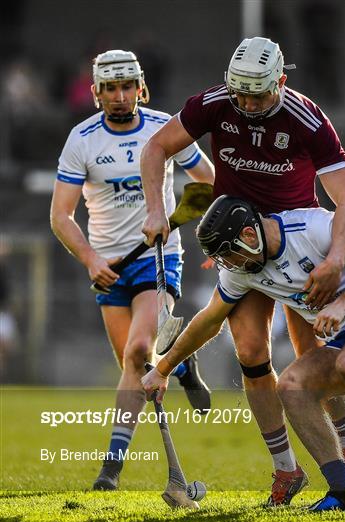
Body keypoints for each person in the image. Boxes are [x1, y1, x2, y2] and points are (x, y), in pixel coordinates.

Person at [140, 36, 345, 505]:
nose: (245, 104)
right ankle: (286, 469)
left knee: (311, 355)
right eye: (238, 93)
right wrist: (156, 209)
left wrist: (334, 259)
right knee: (248, 350)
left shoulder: (306, 117)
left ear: (280, 81)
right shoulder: (215, 103)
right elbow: (157, 147)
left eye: (257, 95)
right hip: (239, 247)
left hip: (296, 246)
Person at [141, 196, 345, 511]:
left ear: (247, 235)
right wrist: (162, 370)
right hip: (343, 344)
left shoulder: (313, 227)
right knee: (291, 387)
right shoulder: (242, 270)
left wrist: (342, 305)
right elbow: (209, 321)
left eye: (229, 255)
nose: (229, 265)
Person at [50, 50, 214, 490]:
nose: (120, 97)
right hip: (108, 268)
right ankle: (180, 366)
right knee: (137, 367)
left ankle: (109, 470)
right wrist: (91, 259)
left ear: (141, 88)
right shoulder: (81, 139)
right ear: (95, 93)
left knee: (137, 350)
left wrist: (172, 220)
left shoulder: (165, 127)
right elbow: (61, 216)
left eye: (127, 87)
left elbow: (208, 180)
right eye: (110, 89)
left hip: (156, 258)